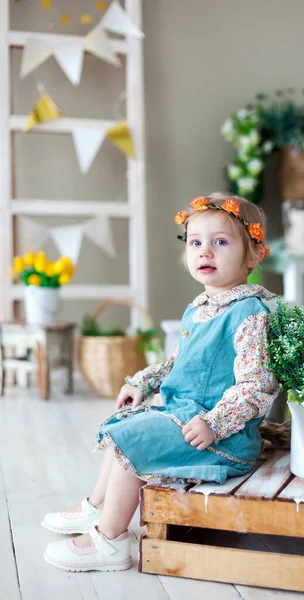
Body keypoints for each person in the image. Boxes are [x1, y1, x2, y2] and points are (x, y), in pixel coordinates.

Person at [42, 192, 279, 572]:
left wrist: (215, 424)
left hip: (218, 437)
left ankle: (112, 541)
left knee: (136, 440)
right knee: (126, 422)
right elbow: (179, 362)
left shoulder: (249, 312)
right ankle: (99, 507)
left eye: (221, 242)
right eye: (197, 243)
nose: (206, 252)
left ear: (252, 254)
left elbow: (257, 384)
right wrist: (143, 382)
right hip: (183, 415)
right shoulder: (200, 307)